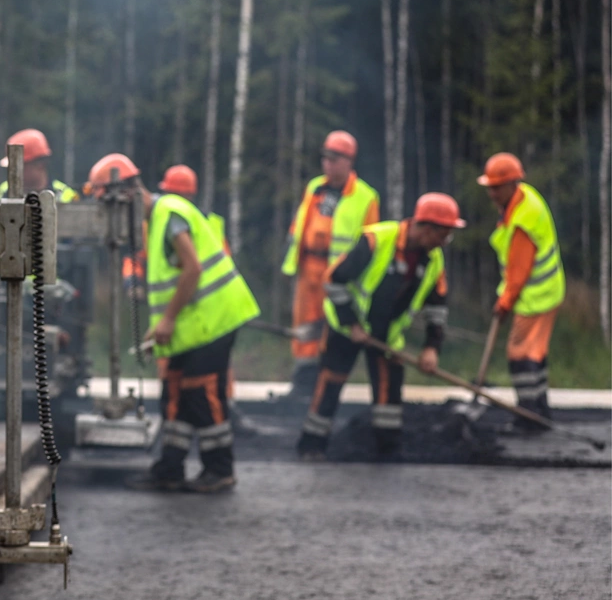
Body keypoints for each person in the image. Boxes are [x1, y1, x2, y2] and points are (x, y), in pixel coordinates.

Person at [88, 154, 260, 492]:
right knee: (175, 393)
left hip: (213, 322)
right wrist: (161, 325)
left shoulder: (169, 214)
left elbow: (192, 268)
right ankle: (170, 467)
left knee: (203, 394)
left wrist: (166, 320)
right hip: (192, 326)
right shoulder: (156, 220)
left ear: (126, 194)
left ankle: (220, 469)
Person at [295, 193, 463, 462]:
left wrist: (432, 348)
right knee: (330, 385)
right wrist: (351, 323)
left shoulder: (434, 260)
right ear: (426, 228)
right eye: (443, 235)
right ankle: (311, 446)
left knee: (389, 393)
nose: (445, 242)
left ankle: (387, 451)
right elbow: (333, 280)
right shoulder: (375, 241)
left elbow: (437, 308)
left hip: (387, 336)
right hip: (346, 329)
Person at [158, 163, 256, 436]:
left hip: (202, 312)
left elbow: (209, 268)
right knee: (178, 381)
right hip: (184, 311)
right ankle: (177, 437)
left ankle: (219, 410)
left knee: (202, 383)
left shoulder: (199, 223)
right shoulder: (170, 221)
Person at [281, 131, 380, 400]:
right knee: (304, 328)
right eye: (325, 158)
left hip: (337, 275)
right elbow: (300, 224)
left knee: (330, 328)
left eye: (334, 159)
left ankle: (322, 389)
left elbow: (370, 241)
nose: (328, 164)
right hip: (308, 270)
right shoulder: (315, 187)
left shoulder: (365, 197)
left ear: (349, 162)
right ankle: (301, 385)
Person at [477, 152, 565, 431]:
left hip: (535, 297)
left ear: (511, 184)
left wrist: (504, 304)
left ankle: (529, 417)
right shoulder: (523, 198)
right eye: (489, 187)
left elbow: (518, 272)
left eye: (495, 187)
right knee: (536, 352)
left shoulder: (523, 219)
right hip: (547, 292)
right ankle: (540, 412)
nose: (491, 193)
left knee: (520, 354)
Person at [0, 128, 79, 202]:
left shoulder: (66, 195)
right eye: (12, 168)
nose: (13, 173)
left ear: (40, 164)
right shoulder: (4, 190)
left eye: (19, 167)